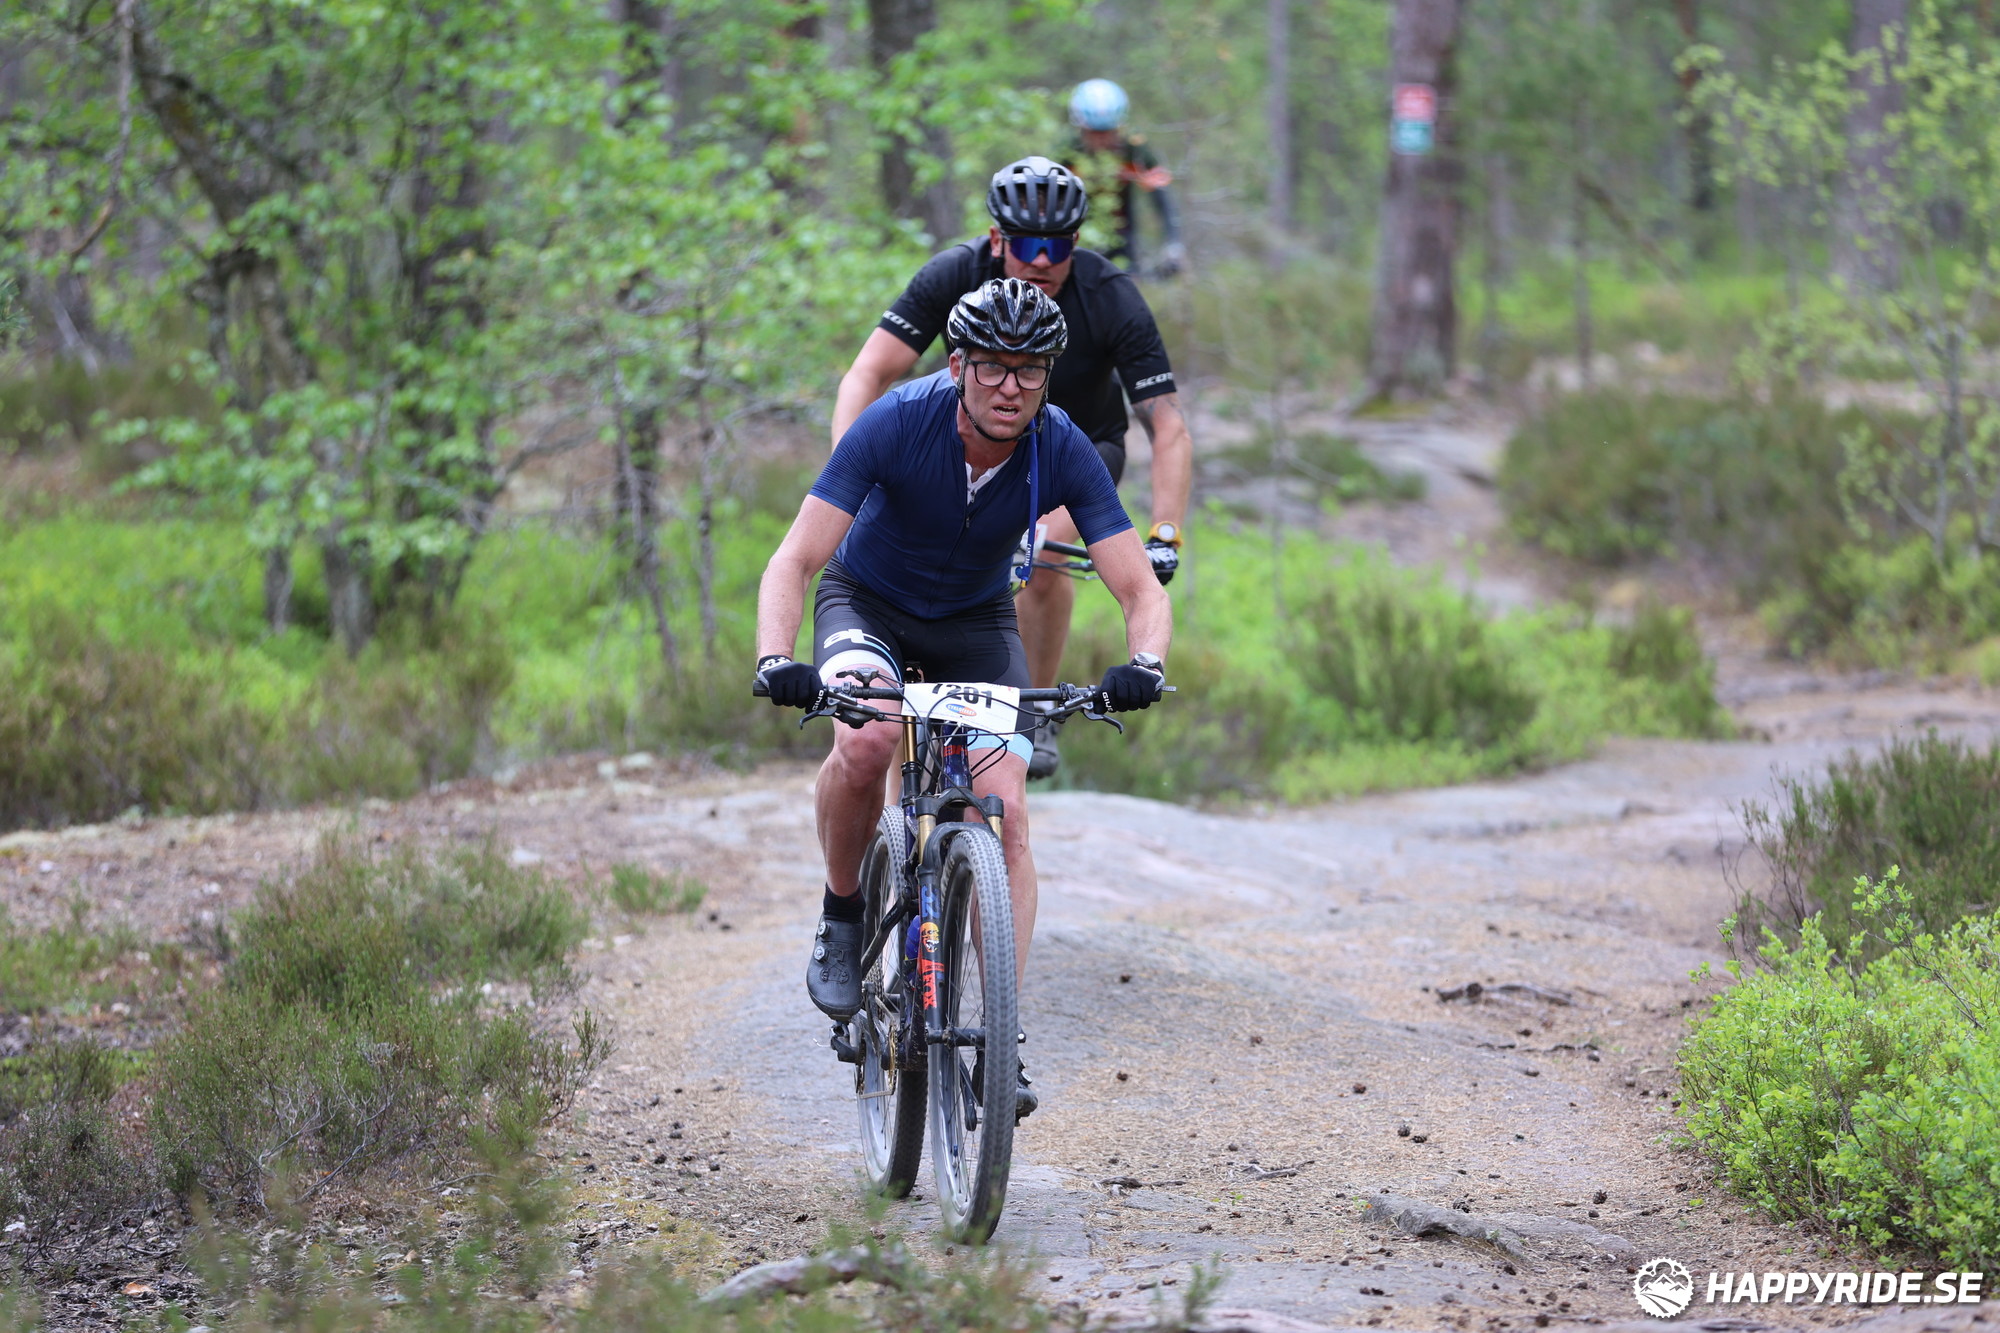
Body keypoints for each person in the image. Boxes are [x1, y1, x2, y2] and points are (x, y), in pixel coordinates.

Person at [756, 278, 1172, 1119]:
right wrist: (776, 656)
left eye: (1030, 369)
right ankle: (842, 911)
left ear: (1048, 377)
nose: (1010, 386)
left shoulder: (1060, 446)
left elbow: (1139, 588)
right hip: (867, 602)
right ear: (958, 367)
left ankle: (1001, 1033)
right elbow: (795, 559)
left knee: (1004, 805)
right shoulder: (897, 421)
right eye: (992, 367)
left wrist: (1145, 663)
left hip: (977, 624)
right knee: (867, 740)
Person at [830, 155, 1192, 779]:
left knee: (1038, 549)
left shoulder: (1110, 296)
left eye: (1059, 245)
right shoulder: (955, 273)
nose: (1042, 260)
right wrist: (848, 473)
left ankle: (1033, 715)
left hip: (1076, 450)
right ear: (997, 239)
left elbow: (1168, 425)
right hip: (964, 441)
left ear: (1076, 243)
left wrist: (1165, 533)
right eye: (1026, 244)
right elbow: (868, 372)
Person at [1064, 79, 1185, 277]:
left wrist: (1173, 244)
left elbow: (1162, 198)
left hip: (1123, 237)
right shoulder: (1067, 153)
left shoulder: (1133, 151)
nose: (1102, 141)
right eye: (1093, 133)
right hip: (1077, 237)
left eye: (1109, 133)